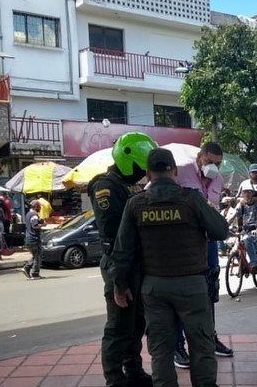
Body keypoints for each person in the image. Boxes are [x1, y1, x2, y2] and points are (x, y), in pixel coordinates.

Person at [110, 148, 229, 387]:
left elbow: (122, 251)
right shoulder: (192, 199)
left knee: (161, 349)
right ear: (174, 171)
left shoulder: (135, 204)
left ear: (148, 174)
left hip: (154, 287)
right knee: (201, 344)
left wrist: (120, 285)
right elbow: (220, 230)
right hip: (192, 285)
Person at [88, 131, 157, 387]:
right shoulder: (105, 187)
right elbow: (113, 236)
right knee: (118, 327)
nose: (142, 174)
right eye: (139, 167)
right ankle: (115, 380)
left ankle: (134, 370)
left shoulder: (128, 185)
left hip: (136, 263)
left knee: (137, 323)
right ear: (127, 160)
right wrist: (120, 280)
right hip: (119, 263)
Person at [172, 141, 233, 365]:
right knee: (183, 294)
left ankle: (209, 338)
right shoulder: (180, 172)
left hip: (208, 244)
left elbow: (213, 210)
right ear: (200, 156)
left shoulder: (218, 179)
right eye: (209, 161)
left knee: (209, 292)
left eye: (218, 163)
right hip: (184, 245)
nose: (213, 166)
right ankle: (177, 346)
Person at [237, 189, 257, 270]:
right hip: (245, 230)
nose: (247, 194)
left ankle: (254, 263)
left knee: (247, 240)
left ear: (253, 193)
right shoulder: (241, 205)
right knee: (238, 245)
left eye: (249, 192)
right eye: (244, 192)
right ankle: (242, 265)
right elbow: (235, 215)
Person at [22, 200, 43, 280]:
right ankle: (35, 273)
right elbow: (34, 225)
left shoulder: (28, 214)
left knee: (36, 255)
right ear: (36, 206)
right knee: (37, 256)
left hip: (29, 238)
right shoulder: (34, 215)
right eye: (39, 206)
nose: (40, 208)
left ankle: (26, 268)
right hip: (34, 238)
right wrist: (43, 225)